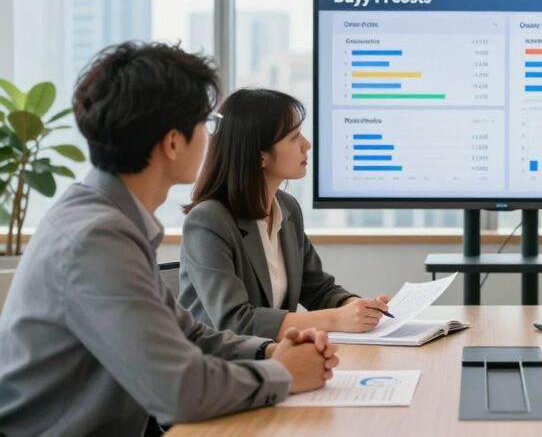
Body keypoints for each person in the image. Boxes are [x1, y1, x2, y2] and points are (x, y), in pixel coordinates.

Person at [0, 42, 338, 437]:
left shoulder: (110, 220)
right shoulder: (96, 239)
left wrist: (269, 351)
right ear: (173, 142)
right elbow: (180, 391)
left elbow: (187, 334)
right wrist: (283, 373)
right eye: (205, 123)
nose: (212, 137)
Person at [179, 88, 390, 339]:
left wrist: (356, 307)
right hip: (219, 361)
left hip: (273, 355)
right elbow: (236, 321)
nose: (307, 144)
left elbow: (319, 290)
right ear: (260, 156)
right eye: (294, 136)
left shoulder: (287, 208)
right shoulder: (208, 221)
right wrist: (337, 319)